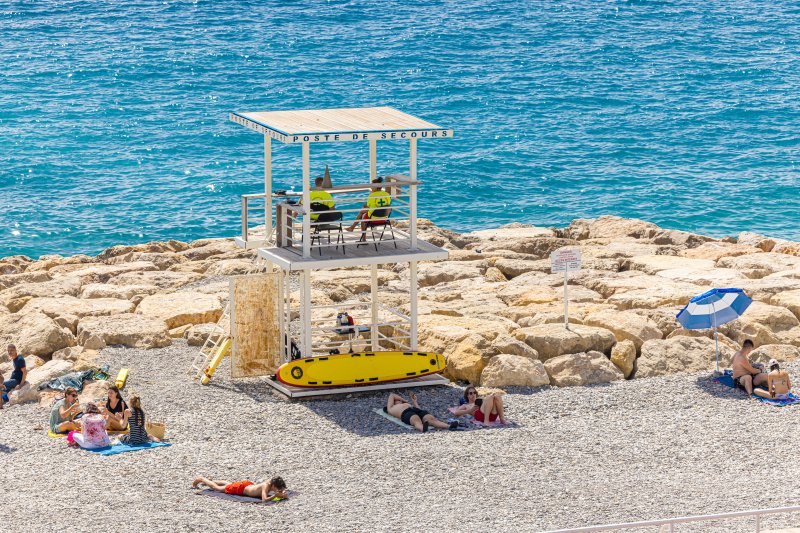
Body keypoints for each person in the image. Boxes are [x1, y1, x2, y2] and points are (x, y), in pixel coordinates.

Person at [384, 392, 458, 432]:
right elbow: (392, 395)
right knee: (416, 419)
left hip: (415, 410)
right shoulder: (391, 408)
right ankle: (422, 428)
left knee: (430, 418)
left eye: (399, 400)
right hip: (405, 413)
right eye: (397, 400)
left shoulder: (406, 404)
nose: (398, 400)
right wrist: (404, 400)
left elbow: (419, 409)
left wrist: (414, 402)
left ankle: (449, 426)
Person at [192, 476, 288, 502]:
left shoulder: (271, 483)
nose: (278, 490)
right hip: (241, 489)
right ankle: (202, 479)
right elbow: (264, 500)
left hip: (246, 485)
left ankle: (210, 480)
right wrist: (275, 496)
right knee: (217, 488)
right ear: (273, 486)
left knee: (229, 484)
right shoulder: (266, 486)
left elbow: (279, 491)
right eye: (277, 489)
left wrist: (282, 494)